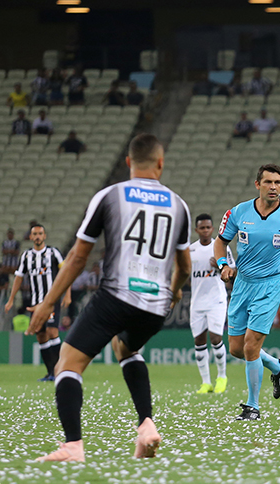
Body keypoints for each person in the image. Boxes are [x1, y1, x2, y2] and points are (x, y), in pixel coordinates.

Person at [27, 133, 192, 462]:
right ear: (161, 163)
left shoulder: (110, 196)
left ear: (129, 162)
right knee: (126, 348)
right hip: (156, 305)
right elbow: (184, 267)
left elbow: (77, 258)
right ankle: (146, 426)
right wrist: (173, 292)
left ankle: (73, 446)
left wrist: (47, 303)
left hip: (116, 297)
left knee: (68, 365)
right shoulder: (179, 205)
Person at [215, 164, 280, 420]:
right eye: (268, 182)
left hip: (270, 285)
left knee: (251, 345)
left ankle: (253, 406)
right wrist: (223, 264)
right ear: (257, 184)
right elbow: (220, 242)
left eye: (278, 182)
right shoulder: (238, 212)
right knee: (237, 349)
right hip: (242, 284)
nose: (273, 187)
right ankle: (278, 366)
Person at [5, 223, 71, 381]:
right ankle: (51, 373)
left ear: (45, 236)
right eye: (35, 234)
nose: (37, 237)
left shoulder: (53, 253)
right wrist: (11, 299)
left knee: (52, 332)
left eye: (40, 233)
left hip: (51, 300)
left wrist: (67, 295)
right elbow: (19, 278)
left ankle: (59, 371)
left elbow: (66, 272)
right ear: (30, 237)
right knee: (41, 336)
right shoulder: (27, 256)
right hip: (35, 302)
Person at [189, 214, 234, 395]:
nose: (206, 231)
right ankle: (205, 382)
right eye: (202, 228)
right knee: (199, 341)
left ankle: (222, 377)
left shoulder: (220, 248)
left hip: (217, 300)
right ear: (197, 230)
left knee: (215, 339)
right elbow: (184, 272)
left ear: (212, 229)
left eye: (208, 227)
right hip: (197, 301)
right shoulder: (190, 250)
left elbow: (233, 273)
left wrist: (220, 267)